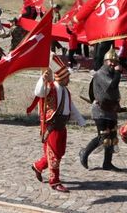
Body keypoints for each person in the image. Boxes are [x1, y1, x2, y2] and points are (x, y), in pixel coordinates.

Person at [31, 65, 86, 193]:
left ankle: (38, 166)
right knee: (54, 154)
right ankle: (54, 181)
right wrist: (42, 79)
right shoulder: (50, 87)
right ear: (61, 78)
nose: (69, 80)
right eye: (67, 78)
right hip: (52, 127)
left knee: (59, 152)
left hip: (62, 126)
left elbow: (70, 106)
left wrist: (80, 119)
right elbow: (39, 92)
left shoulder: (66, 91)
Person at [79, 46, 122, 171]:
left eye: (115, 61)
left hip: (111, 110)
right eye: (111, 61)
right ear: (105, 61)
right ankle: (84, 152)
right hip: (100, 110)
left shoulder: (112, 74)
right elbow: (112, 86)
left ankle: (107, 163)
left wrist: (117, 106)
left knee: (112, 137)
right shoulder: (100, 74)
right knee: (103, 137)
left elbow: (113, 94)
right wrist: (118, 73)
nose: (113, 63)